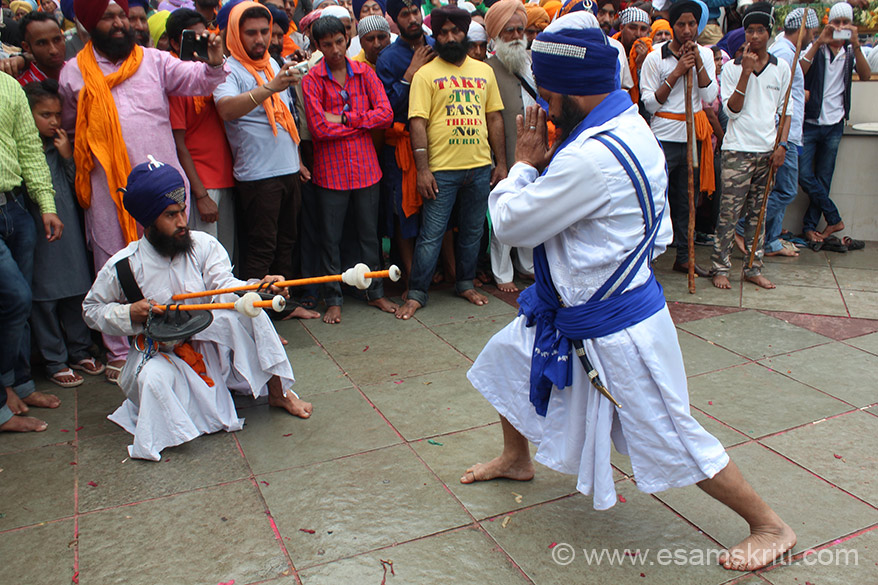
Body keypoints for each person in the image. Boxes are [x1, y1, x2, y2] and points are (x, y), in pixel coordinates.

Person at [463, 14, 798, 573]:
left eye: (547, 93)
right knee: (509, 357)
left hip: (615, 324)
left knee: (669, 431)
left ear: (570, 89)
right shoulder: (628, 124)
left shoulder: (590, 156)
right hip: (582, 305)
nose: (543, 106)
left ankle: (770, 525)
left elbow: (514, 225)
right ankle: (517, 457)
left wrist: (522, 167)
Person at [82, 160, 312, 461]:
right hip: (161, 349)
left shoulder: (203, 245)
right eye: (171, 215)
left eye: (182, 211)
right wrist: (129, 314)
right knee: (151, 382)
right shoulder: (124, 266)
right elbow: (91, 310)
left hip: (207, 338)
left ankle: (278, 395)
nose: (182, 222)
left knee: (250, 311)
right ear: (149, 221)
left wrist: (259, 288)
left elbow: (225, 286)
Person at [59, 0, 229, 383]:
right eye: (108, 17)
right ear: (88, 26)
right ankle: (121, 348)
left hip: (164, 187)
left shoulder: (154, 61)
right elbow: (72, 129)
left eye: (121, 14)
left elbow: (200, 80)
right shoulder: (73, 74)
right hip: (108, 191)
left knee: (173, 257)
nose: (119, 23)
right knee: (115, 260)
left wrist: (215, 62)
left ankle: (187, 327)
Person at [396, 6, 507, 320]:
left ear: (464, 33)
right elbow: (417, 122)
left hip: (479, 166)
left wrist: (500, 163)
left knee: (473, 232)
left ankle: (465, 283)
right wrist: (423, 170)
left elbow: (494, 118)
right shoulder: (425, 74)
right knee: (431, 235)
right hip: (441, 171)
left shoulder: (483, 71)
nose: (449, 37)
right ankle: (417, 293)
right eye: (442, 32)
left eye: (455, 31)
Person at [301, 15, 395, 324]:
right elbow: (318, 129)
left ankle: (375, 291)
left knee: (369, 235)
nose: (335, 49)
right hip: (331, 173)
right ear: (317, 46)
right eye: (326, 44)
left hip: (367, 169)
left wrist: (344, 119)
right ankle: (334, 298)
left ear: (347, 38)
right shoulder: (312, 79)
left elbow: (385, 115)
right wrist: (361, 121)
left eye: (339, 42)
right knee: (331, 238)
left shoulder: (364, 71)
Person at [214, 2, 304, 282]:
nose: (260, 39)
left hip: (288, 169)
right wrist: (269, 88)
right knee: (262, 248)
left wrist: (298, 161)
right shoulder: (226, 69)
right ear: (235, 35)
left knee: (287, 243)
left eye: (264, 31)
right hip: (258, 176)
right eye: (250, 33)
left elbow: (286, 117)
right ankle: (257, 314)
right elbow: (226, 109)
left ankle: (281, 306)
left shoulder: (272, 63)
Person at [23, 80, 104, 388]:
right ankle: (54, 359)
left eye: (57, 114)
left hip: (68, 231)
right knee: (43, 299)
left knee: (75, 292)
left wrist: (68, 156)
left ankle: (79, 350)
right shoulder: (26, 150)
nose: (54, 121)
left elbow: (78, 187)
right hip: (40, 234)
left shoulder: (60, 146)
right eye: (45, 115)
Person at [0, 70, 64, 433]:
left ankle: (20, 385)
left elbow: (28, 148)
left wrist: (45, 203)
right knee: (15, 298)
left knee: (19, 306)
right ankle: (3, 394)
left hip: (14, 209)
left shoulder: (7, 86)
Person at [710, 4, 790, 291]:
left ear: (769, 34)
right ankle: (720, 267)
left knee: (759, 215)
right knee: (729, 214)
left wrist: (781, 145)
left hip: (767, 151)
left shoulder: (781, 69)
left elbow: (786, 112)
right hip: (737, 150)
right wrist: (745, 72)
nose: (754, 36)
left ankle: (753, 268)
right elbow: (731, 110)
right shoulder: (732, 69)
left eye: (760, 31)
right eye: (750, 31)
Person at [640, 0, 717, 277]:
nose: (687, 30)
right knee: (655, 197)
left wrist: (697, 65)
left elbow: (709, 98)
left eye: (692, 24)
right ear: (672, 26)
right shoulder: (654, 58)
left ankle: (685, 256)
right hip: (663, 137)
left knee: (687, 199)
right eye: (681, 24)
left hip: (691, 138)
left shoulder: (705, 56)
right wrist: (676, 73)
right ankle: (644, 257)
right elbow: (649, 103)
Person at [736, 8, 819, 259]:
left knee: (778, 189)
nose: (813, 36)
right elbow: (777, 102)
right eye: (752, 30)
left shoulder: (788, 55)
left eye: (761, 30)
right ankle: (742, 228)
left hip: (789, 132)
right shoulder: (782, 53)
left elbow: (788, 100)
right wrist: (782, 139)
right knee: (785, 190)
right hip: (782, 133)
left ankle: (769, 241)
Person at [166, 8, 238, 259]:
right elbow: (179, 144)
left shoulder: (217, 72)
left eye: (204, 37)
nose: (201, 44)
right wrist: (201, 194)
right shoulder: (177, 83)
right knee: (205, 259)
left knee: (226, 257)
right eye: (193, 39)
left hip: (226, 178)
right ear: (176, 43)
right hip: (203, 185)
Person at [798, 2, 870, 244]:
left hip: (835, 123)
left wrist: (857, 43)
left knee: (824, 179)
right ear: (829, 24)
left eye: (845, 23)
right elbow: (797, 73)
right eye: (836, 23)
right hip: (810, 121)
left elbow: (867, 75)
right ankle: (834, 217)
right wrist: (819, 41)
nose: (840, 28)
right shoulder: (815, 48)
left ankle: (810, 227)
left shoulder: (851, 51)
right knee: (804, 175)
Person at [375, 0, 435, 289]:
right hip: (401, 147)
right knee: (403, 211)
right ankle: (412, 278)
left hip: (437, 142)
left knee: (436, 209)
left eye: (415, 11)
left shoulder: (438, 44)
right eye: (405, 14)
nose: (412, 19)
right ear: (394, 20)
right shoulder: (388, 59)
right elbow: (385, 109)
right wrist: (409, 75)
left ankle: (443, 272)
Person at [484, 0, 534, 294]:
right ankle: (502, 271)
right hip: (504, 154)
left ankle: (526, 264)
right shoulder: (487, 68)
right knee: (503, 211)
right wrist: (498, 161)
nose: (516, 35)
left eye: (520, 29)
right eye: (509, 30)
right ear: (494, 36)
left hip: (531, 152)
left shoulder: (529, 64)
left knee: (530, 210)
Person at [16, 10, 66, 84]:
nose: (53, 50)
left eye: (57, 40)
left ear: (63, 38)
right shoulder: (20, 87)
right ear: (27, 47)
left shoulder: (80, 70)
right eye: (42, 43)